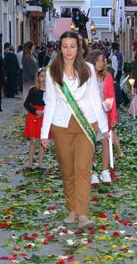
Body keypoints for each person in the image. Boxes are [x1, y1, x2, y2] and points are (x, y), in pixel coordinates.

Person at [41, 31, 108, 228]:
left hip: (86, 123)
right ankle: (72, 208)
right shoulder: (53, 70)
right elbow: (50, 102)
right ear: (59, 48)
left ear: (78, 48)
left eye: (73, 46)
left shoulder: (87, 69)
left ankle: (83, 213)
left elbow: (96, 99)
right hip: (61, 126)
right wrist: (44, 133)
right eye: (65, 46)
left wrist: (104, 128)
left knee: (82, 168)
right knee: (68, 169)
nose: (69, 50)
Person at [86, 50, 117, 183]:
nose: (100, 63)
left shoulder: (107, 76)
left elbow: (111, 97)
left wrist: (113, 116)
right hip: (90, 115)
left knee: (105, 141)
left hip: (104, 114)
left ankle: (104, 171)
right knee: (91, 144)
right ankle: (91, 172)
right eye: (97, 60)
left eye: (102, 60)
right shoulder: (87, 76)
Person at [23, 69, 47, 170]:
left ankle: (40, 164)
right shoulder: (33, 90)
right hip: (34, 116)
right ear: (38, 77)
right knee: (33, 141)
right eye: (42, 76)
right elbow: (26, 104)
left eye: (45, 76)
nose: (44, 78)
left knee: (43, 141)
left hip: (44, 117)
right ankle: (30, 164)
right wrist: (36, 111)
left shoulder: (50, 91)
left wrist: (44, 111)